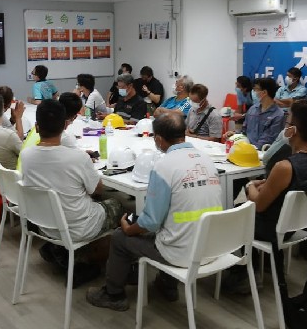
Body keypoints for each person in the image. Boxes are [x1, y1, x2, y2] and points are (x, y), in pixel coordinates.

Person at [86, 112, 224, 311]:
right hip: (210, 247)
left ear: (158, 139)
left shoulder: (164, 166)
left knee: (119, 238)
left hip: (182, 254)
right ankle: (167, 285)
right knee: (173, 224)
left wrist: (127, 229)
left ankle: (113, 294)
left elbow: (151, 223)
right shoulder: (207, 160)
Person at [242, 102, 307, 286]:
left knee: (235, 213)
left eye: (287, 123)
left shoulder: (284, 167)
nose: (284, 127)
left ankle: (242, 274)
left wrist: (250, 185)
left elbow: (258, 205)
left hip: (274, 228)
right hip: (296, 225)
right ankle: (264, 266)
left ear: (293, 131)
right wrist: (268, 183)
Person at [21, 100, 123, 242]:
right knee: (117, 205)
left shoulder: (26, 155)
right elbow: (97, 190)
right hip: (79, 228)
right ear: (65, 125)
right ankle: (95, 252)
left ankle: (62, 252)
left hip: (44, 226)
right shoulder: (79, 158)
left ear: (37, 127)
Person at [226, 78, 285, 149]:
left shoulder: (278, 115)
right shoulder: (252, 109)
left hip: (262, 153)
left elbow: (268, 139)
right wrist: (235, 134)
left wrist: (251, 149)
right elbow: (244, 131)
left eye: (256, 89)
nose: (253, 92)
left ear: (264, 92)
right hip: (246, 149)